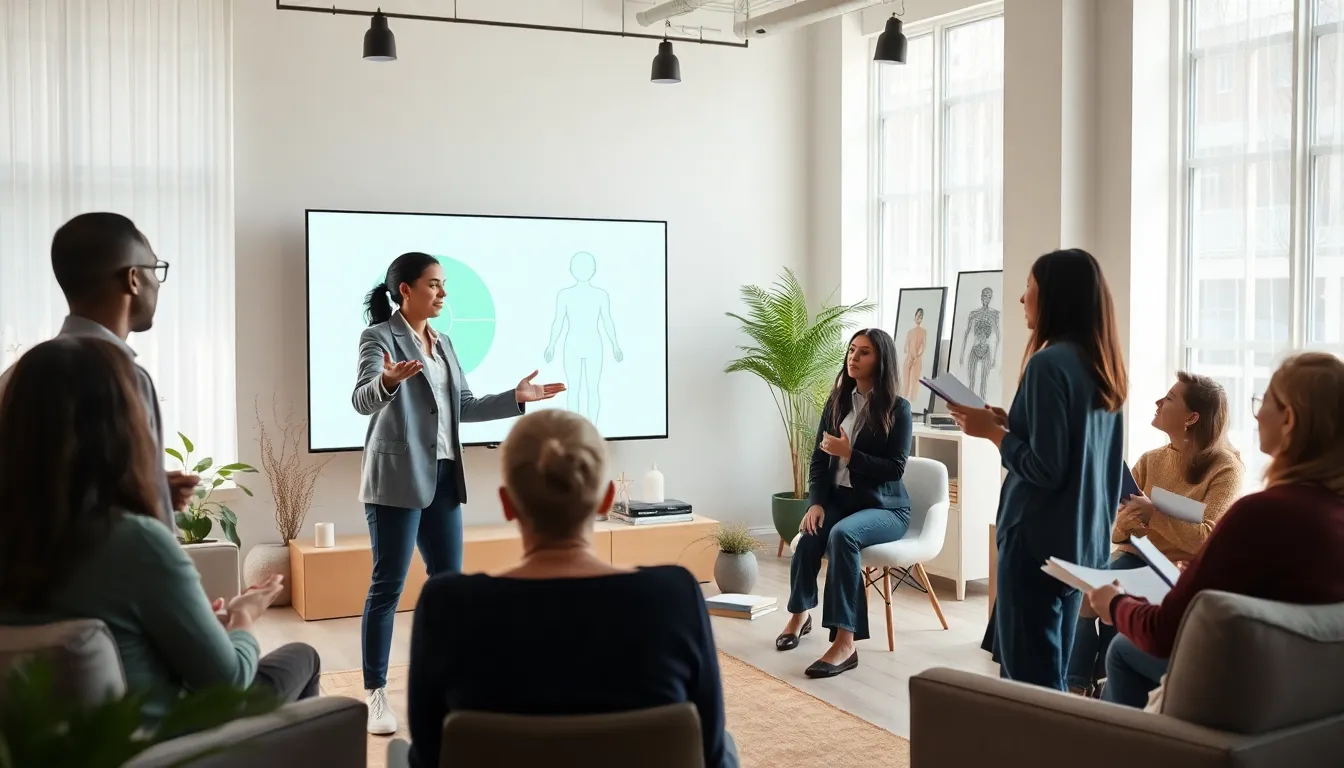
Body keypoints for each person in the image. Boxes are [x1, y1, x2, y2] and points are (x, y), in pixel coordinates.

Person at [0, 337, 320, 724]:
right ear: (118, 427)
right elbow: (229, 682)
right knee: (303, 657)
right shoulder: (133, 542)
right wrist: (244, 615)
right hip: (163, 740)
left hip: (46, 745)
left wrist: (192, 625)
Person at [405, 409, 737, 768]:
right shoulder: (675, 597)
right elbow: (712, 755)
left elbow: (427, 758)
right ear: (607, 499)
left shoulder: (446, 606)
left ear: (507, 503)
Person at [353, 251, 565, 735]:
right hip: (396, 479)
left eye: (443, 284)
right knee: (387, 586)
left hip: (445, 476)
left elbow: (463, 405)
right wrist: (386, 381)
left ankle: (448, 679)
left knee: (449, 583)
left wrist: (516, 398)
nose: (443, 293)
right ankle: (375, 692)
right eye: (434, 284)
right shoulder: (378, 337)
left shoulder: (444, 342)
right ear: (405, 290)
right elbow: (362, 398)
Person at [1087, 352, 1344, 708]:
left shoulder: (1259, 513)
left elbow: (1162, 632)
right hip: (1300, 695)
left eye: (1264, 401)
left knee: (1121, 648)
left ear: (1289, 419)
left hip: (1239, 686)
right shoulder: (1330, 514)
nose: (1257, 414)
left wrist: (1115, 604)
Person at [951, 248, 1127, 691]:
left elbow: (1046, 468)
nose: (1021, 299)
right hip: (1081, 546)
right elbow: (1076, 453)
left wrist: (994, 435)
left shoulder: (1048, 364)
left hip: (1035, 546)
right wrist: (1011, 425)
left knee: (1029, 689)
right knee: (1053, 677)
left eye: (1028, 287)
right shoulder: (1103, 368)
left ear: (1053, 296)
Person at [0, 213, 198, 525]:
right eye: (154, 269)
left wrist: (151, 488)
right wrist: (150, 500)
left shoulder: (16, 376)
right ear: (133, 278)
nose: (157, 283)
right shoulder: (126, 380)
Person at [1067, 372, 1242, 696]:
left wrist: (1152, 515)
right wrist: (1126, 523)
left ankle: (1093, 684)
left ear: (1191, 418)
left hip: (1177, 571)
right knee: (1087, 590)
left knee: (1106, 596)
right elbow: (1116, 530)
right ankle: (1077, 685)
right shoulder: (1150, 460)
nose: (1158, 402)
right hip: (1136, 556)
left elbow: (1205, 538)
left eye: (1170, 398)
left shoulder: (1226, 469)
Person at [775, 328, 914, 679]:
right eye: (852, 350)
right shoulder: (838, 400)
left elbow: (895, 468)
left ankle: (845, 642)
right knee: (810, 534)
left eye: (864, 352)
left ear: (881, 360)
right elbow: (819, 459)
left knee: (843, 536)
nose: (854, 357)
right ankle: (800, 614)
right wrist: (816, 503)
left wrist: (850, 454)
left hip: (885, 508)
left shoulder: (899, 408)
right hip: (841, 500)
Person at [901, 309, 927, 403]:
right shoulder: (910, 332)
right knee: (905, 382)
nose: (919, 318)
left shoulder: (923, 332)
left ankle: (912, 403)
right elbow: (906, 347)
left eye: (921, 316)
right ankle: (903, 400)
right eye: (918, 315)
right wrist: (910, 355)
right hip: (908, 359)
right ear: (915, 316)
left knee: (914, 383)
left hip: (917, 360)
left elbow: (923, 347)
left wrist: (916, 356)